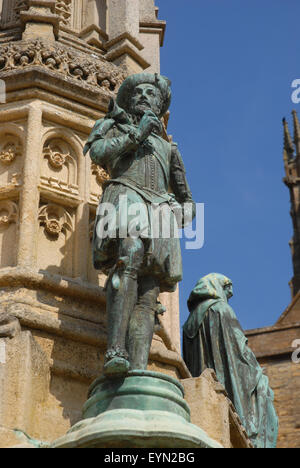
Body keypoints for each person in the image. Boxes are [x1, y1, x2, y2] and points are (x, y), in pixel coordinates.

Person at [84, 73, 195, 376]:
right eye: (139, 92)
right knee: (129, 254)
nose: (145, 96)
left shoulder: (170, 149)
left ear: (160, 105)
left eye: (152, 93)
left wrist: (180, 212)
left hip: (159, 212)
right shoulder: (113, 126)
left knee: (149, 290)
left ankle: (137, 367)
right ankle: (115, 350)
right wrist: (137, 134)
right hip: (125, 197)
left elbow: (188, 202)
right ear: (129, 100)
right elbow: (98, 153)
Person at [182, 273, 278, 448]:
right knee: (264, 389)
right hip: (226, 387)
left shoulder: (188, 323)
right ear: (217, 288)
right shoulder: (222, 310)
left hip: (202, 390)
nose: (227, 297)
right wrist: (258, 375)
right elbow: (239, 351)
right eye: (227, 292)